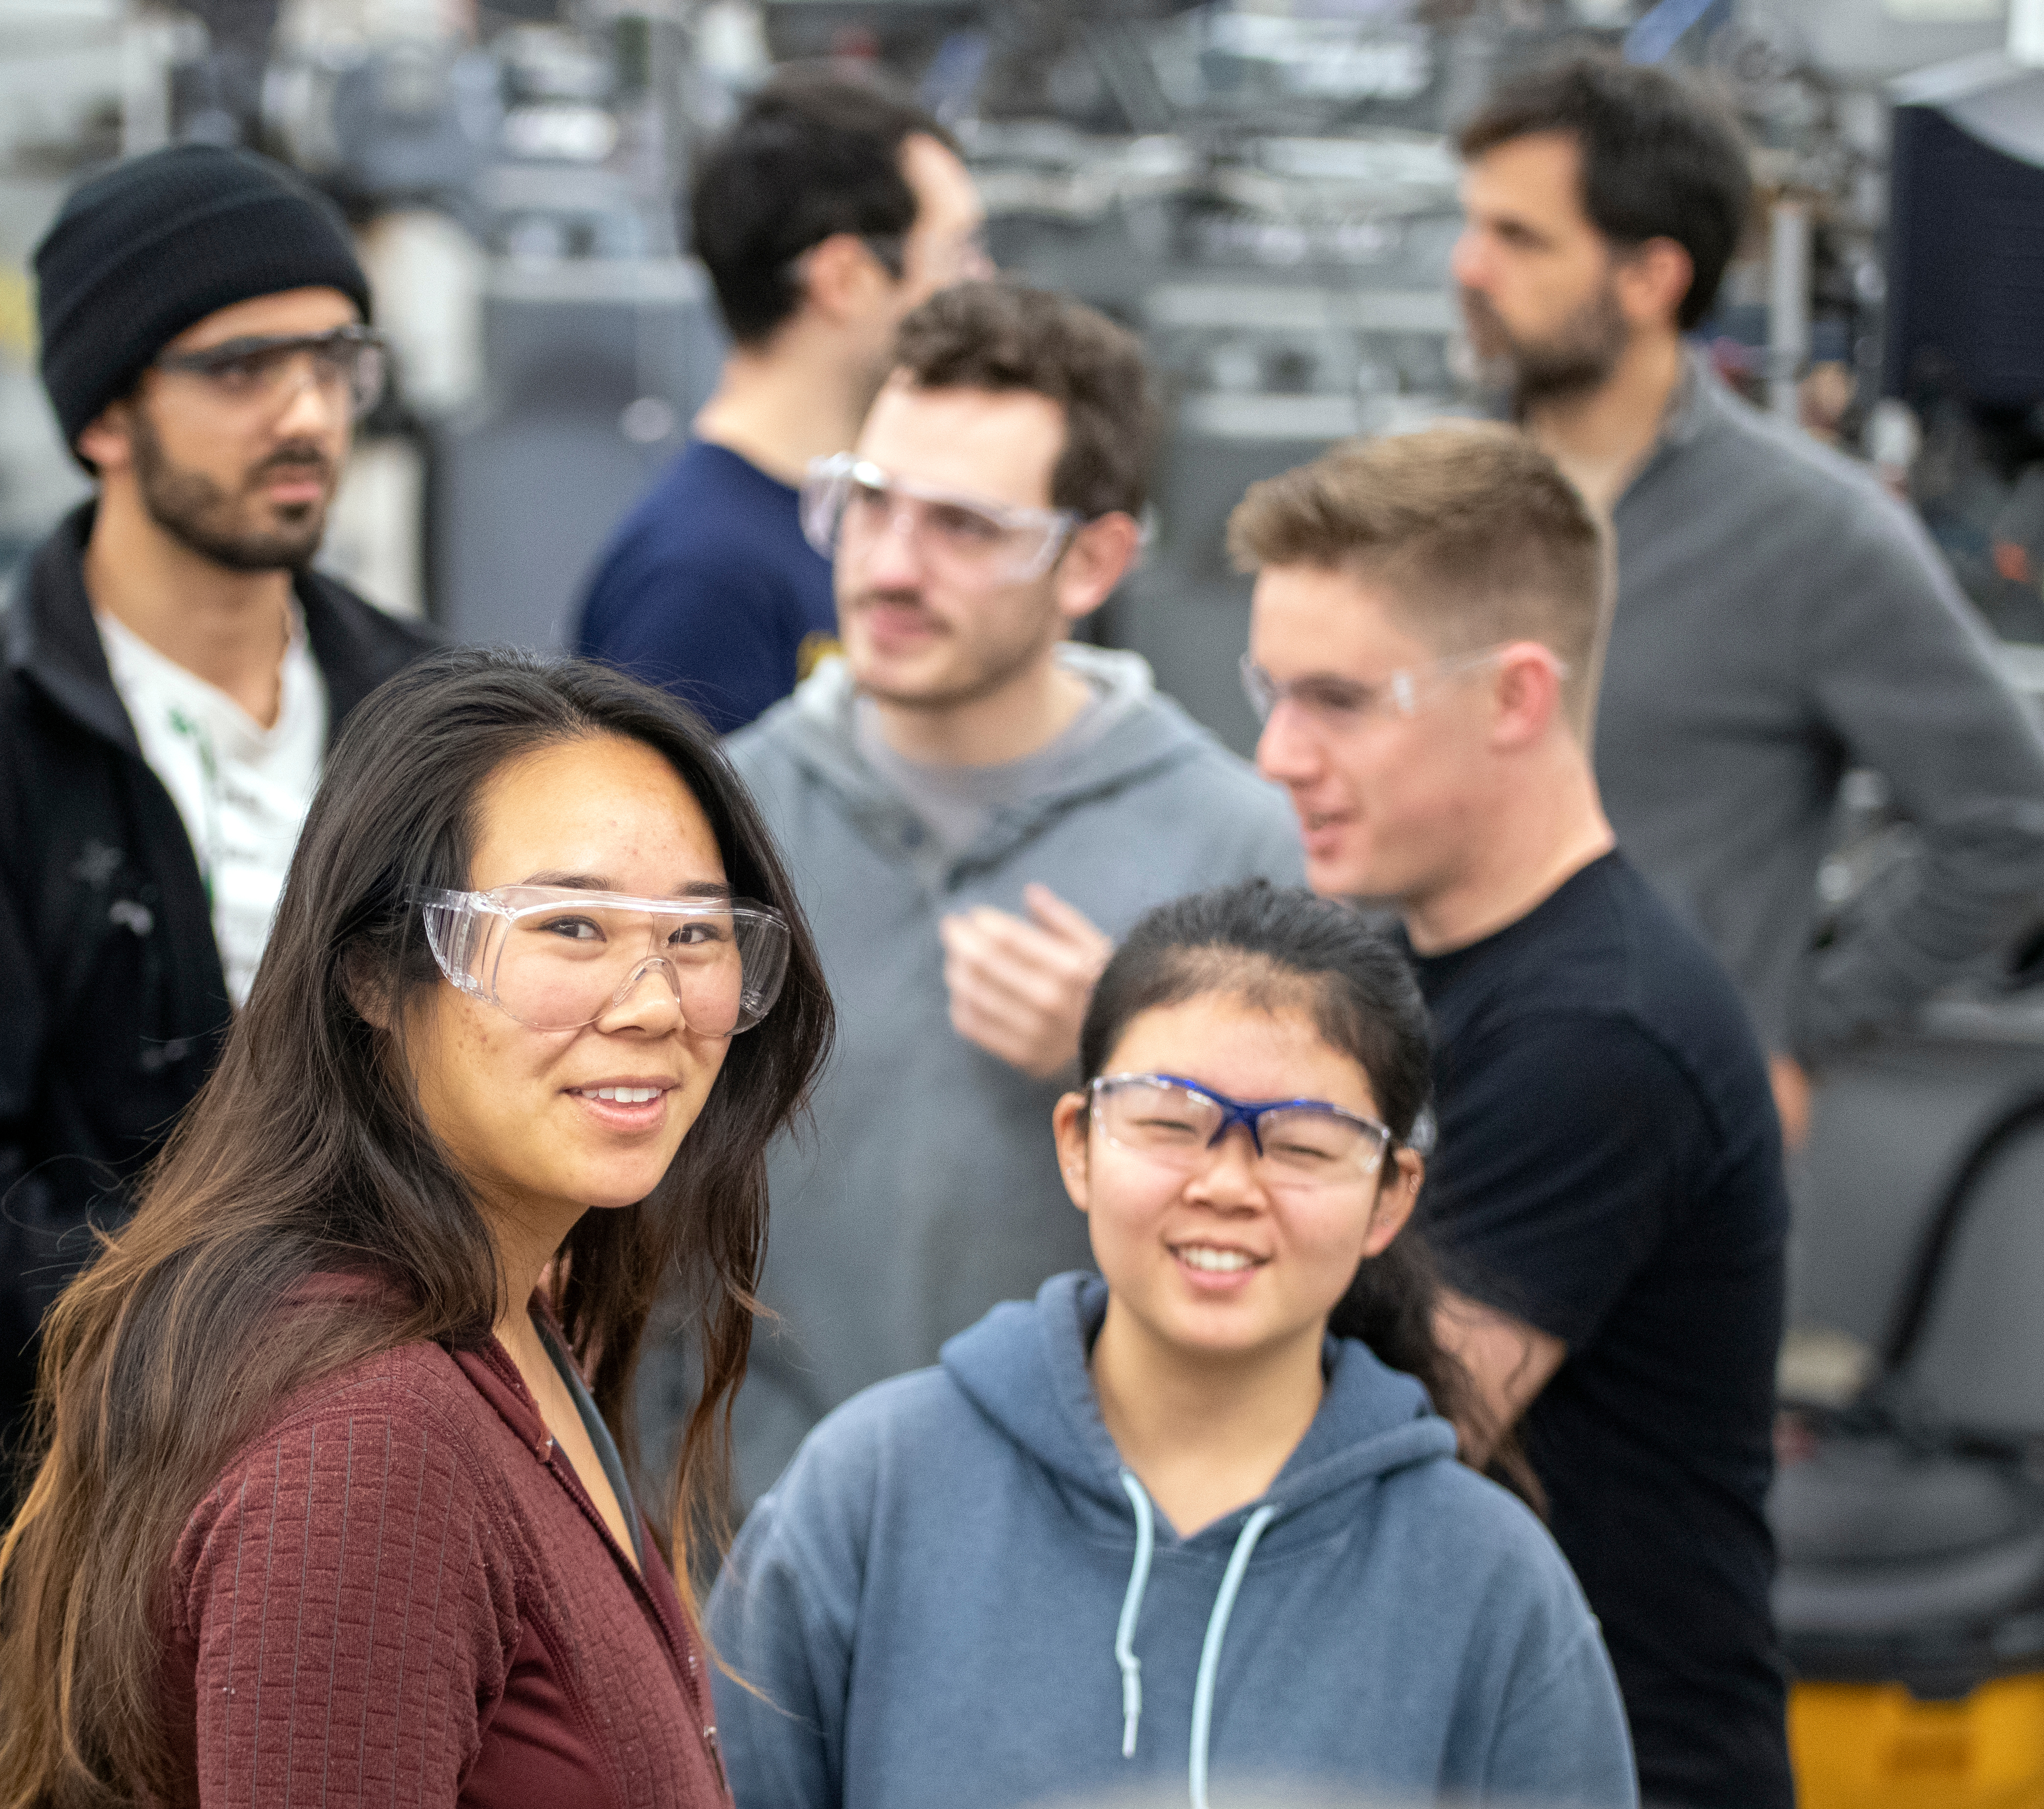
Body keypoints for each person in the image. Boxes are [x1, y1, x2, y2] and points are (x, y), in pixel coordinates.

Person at [0, 650, 833, 1807]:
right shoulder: (369, 1438)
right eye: (570, 926)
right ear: (375, 973)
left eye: (695, 934)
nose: (654, 1003)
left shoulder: (508, 1319)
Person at [0, 143, 437, 1674]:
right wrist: (297, 1334)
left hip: (393, 1519)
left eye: (333, 358)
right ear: (102, 415)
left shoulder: (430, 710)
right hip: (54, 1571)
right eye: (239, 366)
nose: (305, 412)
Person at [708, 883, 1634, 1809]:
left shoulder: (1491, 1582)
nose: (1227, 1184)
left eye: (1304, 1144)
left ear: (1390, 1194)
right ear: (1078, 1142)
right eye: (1169, 1123)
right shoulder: (867, 1497)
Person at [1234, 422, 1791, 1809]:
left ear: (1516, 696)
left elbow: (1361, 1444)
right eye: (1269, 691)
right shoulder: (1419, 973)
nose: (1274, 754)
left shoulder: (1595, 1034)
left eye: (1337, 700)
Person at [709, 280, 1300, 1506]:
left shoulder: (1241, 848)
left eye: (964, 528)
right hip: (746, 1556)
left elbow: (1337, 1224)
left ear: (1093, 558)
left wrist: (1137, 1056)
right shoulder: (718, 823)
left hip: (1097, 1565)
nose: (888, 565)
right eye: (867, 503)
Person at [1451, 52, 2044, 1144]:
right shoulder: (1432, 498)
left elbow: (2010, 826)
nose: (1469, 265)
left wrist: (1790, 1033)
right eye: (1474, 225)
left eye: (1519, 237)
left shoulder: (1812, 531)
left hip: (1656, 1152)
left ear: (1651, 278)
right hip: (1417, 1117)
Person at [571, 65, 990, 732]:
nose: (980, 283)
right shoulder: (699, 581)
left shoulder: (839, 523)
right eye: (958, 253)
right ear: (843, 279)